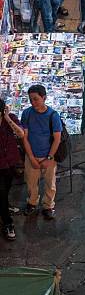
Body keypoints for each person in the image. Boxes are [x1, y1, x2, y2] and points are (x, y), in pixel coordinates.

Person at [21, 84, 62, 219]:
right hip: (32, 156)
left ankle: (48, 205)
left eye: (36, 99)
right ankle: (32, 203)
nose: (33, 103)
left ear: (44, 98)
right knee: (31, 183)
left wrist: (49, 158)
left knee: (50, 183)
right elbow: (25, 137)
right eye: (31, 99)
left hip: (48, 157)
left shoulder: (53, 116)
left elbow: (57, 139)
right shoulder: (26, 114)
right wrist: (31, 158)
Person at [0, 98, 24, 241]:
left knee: (6, 188)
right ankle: (8, 223)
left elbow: (21, 134)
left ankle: (4, 206)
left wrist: (7, 118)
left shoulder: (10, 119)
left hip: (10, 162)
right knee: (2, 191)